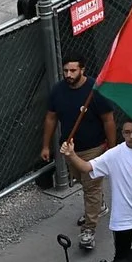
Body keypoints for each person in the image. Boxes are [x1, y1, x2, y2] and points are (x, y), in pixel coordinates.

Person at [64, 118, 132, 260]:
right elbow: (87, 167)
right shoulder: (114, 154)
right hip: (123, 217)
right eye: (127, 132)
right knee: (122, 256)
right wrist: (71, 155)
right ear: (122, 133)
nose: (131, 136)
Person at [41, 59, 116, 251]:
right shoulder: (58, 91)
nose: (68, 74)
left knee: (90, 188)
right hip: (70, 149)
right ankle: (99, 205)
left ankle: (88, 230)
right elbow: (51, 117)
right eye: (65, 70)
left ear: (82, 69)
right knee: (82, 180)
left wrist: (112, 148)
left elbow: (108, 119)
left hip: (94, 149)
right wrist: (46, 146)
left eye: (73, 70)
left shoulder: (95, 90)